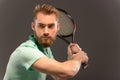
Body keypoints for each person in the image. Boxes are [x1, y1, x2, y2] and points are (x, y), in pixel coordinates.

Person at [3, 4, 88, 80]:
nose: (46, 31)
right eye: (41, 26)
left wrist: (71, 59)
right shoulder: (25, 52)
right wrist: (78, 58)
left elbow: (59, 77)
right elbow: (67, 72)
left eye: (51, 26)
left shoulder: (45, 50)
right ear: (33, 26)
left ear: (58, 27)